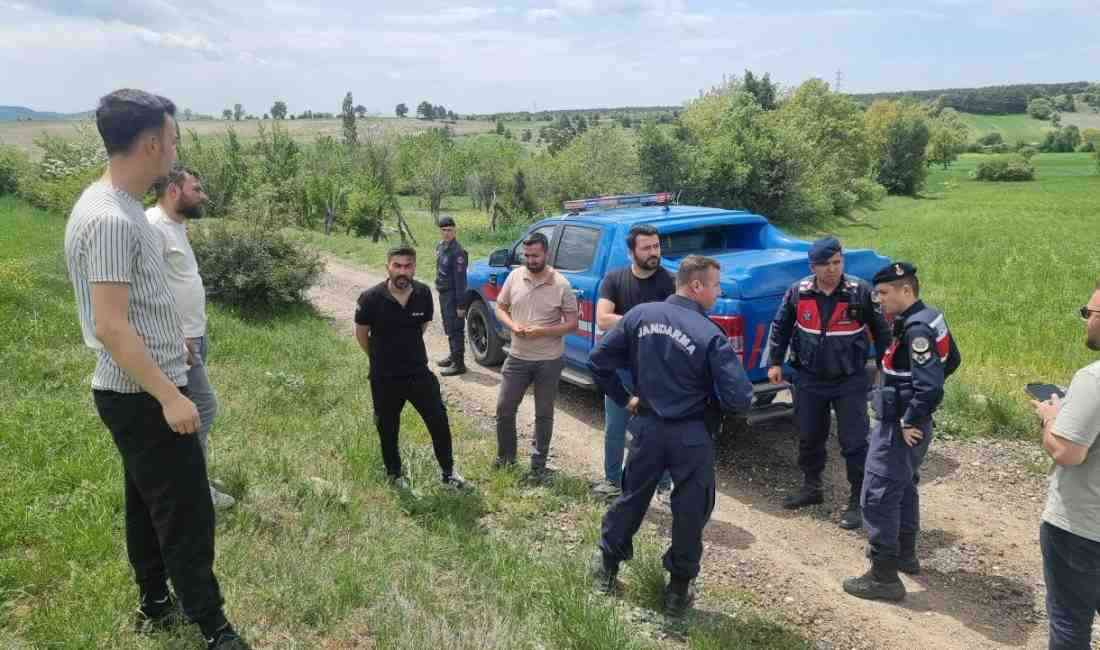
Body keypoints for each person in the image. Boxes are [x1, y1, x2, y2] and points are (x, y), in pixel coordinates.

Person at [63, 89, 248, 649]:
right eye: (173, 138)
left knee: (147, 502)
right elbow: (113, 326)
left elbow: (137, 307)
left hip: (140, 385)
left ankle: (155, 602)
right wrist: (171, 394)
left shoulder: (114, 204)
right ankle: (214, 628)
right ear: (150, 142)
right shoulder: (112, 218)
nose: (176, 147)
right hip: (142, 395)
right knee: (188, 515)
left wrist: (176, 348)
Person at [588, 255, 753, 616]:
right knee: (691, 509)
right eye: (715, 285)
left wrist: (625, 398)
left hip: (646, 426)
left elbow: (597, 362)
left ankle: (606, 567)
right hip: (691, 435)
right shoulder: (709, 333)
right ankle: (678, 591)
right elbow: (740, 397)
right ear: (696, 286)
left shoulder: (638, 316)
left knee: (631, 497)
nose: (718, 292)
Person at [843, 262, 959, 602]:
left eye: (883, 293)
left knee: (878, 494)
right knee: (903, 486)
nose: (878, 300)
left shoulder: (916, 330)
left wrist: (910, 418)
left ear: (906, 290)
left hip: (899, 427)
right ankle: (905, 554)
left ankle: (883, 577)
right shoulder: (930, 317)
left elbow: (931, 386)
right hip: (909, 422)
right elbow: (952, 361)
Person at [766, 236, 891, 529]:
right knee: (810, 436)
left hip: (850, 379)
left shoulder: (860, 291)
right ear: (813, 266)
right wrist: (774, 362)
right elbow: (781, 326)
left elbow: (882, 331)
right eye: (826, 264)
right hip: (809, 378)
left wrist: (887, 366)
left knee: (854, 442)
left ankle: (857, 501)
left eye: (837, 262)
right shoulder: (799, 292)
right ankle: (812, 488)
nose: (833, 269)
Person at [146, 164, 234, 510]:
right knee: (202, 409)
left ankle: (182, 478)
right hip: (178, 343)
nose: (203, 196)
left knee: (186, 414)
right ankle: (194, 489)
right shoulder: (153, 226)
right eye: (196, 189)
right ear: (173, 191)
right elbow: (146, 288)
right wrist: (176, 337)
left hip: (193, 337)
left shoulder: (175, 226)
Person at [354, 246, 467, 490]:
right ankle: (394, 474)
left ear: (414, 267)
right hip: (384, 378)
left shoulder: (423, 293)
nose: (402, 271)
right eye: (397, 265)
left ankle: (448, 473)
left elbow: (423, 326)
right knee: (387, 426)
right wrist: (380, 358)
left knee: (438, 420)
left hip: (418, 374)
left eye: (407, 266)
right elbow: (362, 335)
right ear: (388, 267)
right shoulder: (370, 298)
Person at [1031, 282, 1100, 650]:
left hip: (1081, 528)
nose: (1086, 320)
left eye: (1090, 313)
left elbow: (1068, 453)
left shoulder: (1093, 378)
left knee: (1069, 624)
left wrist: (1051, 417)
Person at [593, 224, 675, 500]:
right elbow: (603, 318)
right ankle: (612, 481)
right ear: (631, 252)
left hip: (658, 372)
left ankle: (664, 486)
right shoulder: (614, 280)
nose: (654, 252)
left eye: (656, 246)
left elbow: (677, 321)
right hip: (622, 369)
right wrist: (649, 321)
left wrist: (627, 321)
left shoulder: (670, 282)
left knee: (660, 432)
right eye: (646, 247)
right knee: (615, 429)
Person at [493, 232, 579, 479]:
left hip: (549, 360)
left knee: (543, 414)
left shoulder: (561, 284)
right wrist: (511, 325)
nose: (530, 260)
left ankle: (538, 466)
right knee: (504, 409)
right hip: (518, 356)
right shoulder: (514, 276)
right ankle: (506, 459)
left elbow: (572, 323)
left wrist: (544, 331)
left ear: (546, 254)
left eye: (535, 255)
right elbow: (500, 307)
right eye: (526, 255)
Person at [434, 215, 469, 377]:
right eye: (444, 230)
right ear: (440, 231)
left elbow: (461, 281)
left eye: (450, 230)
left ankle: (459, 363)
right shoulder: (441, 246)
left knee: (456, 328)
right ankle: (452, 355)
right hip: (443, 294)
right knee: (448, 326)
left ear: (455, 230)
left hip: (453, 296)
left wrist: (461, 305)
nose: (447, 233)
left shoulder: (458, 252)